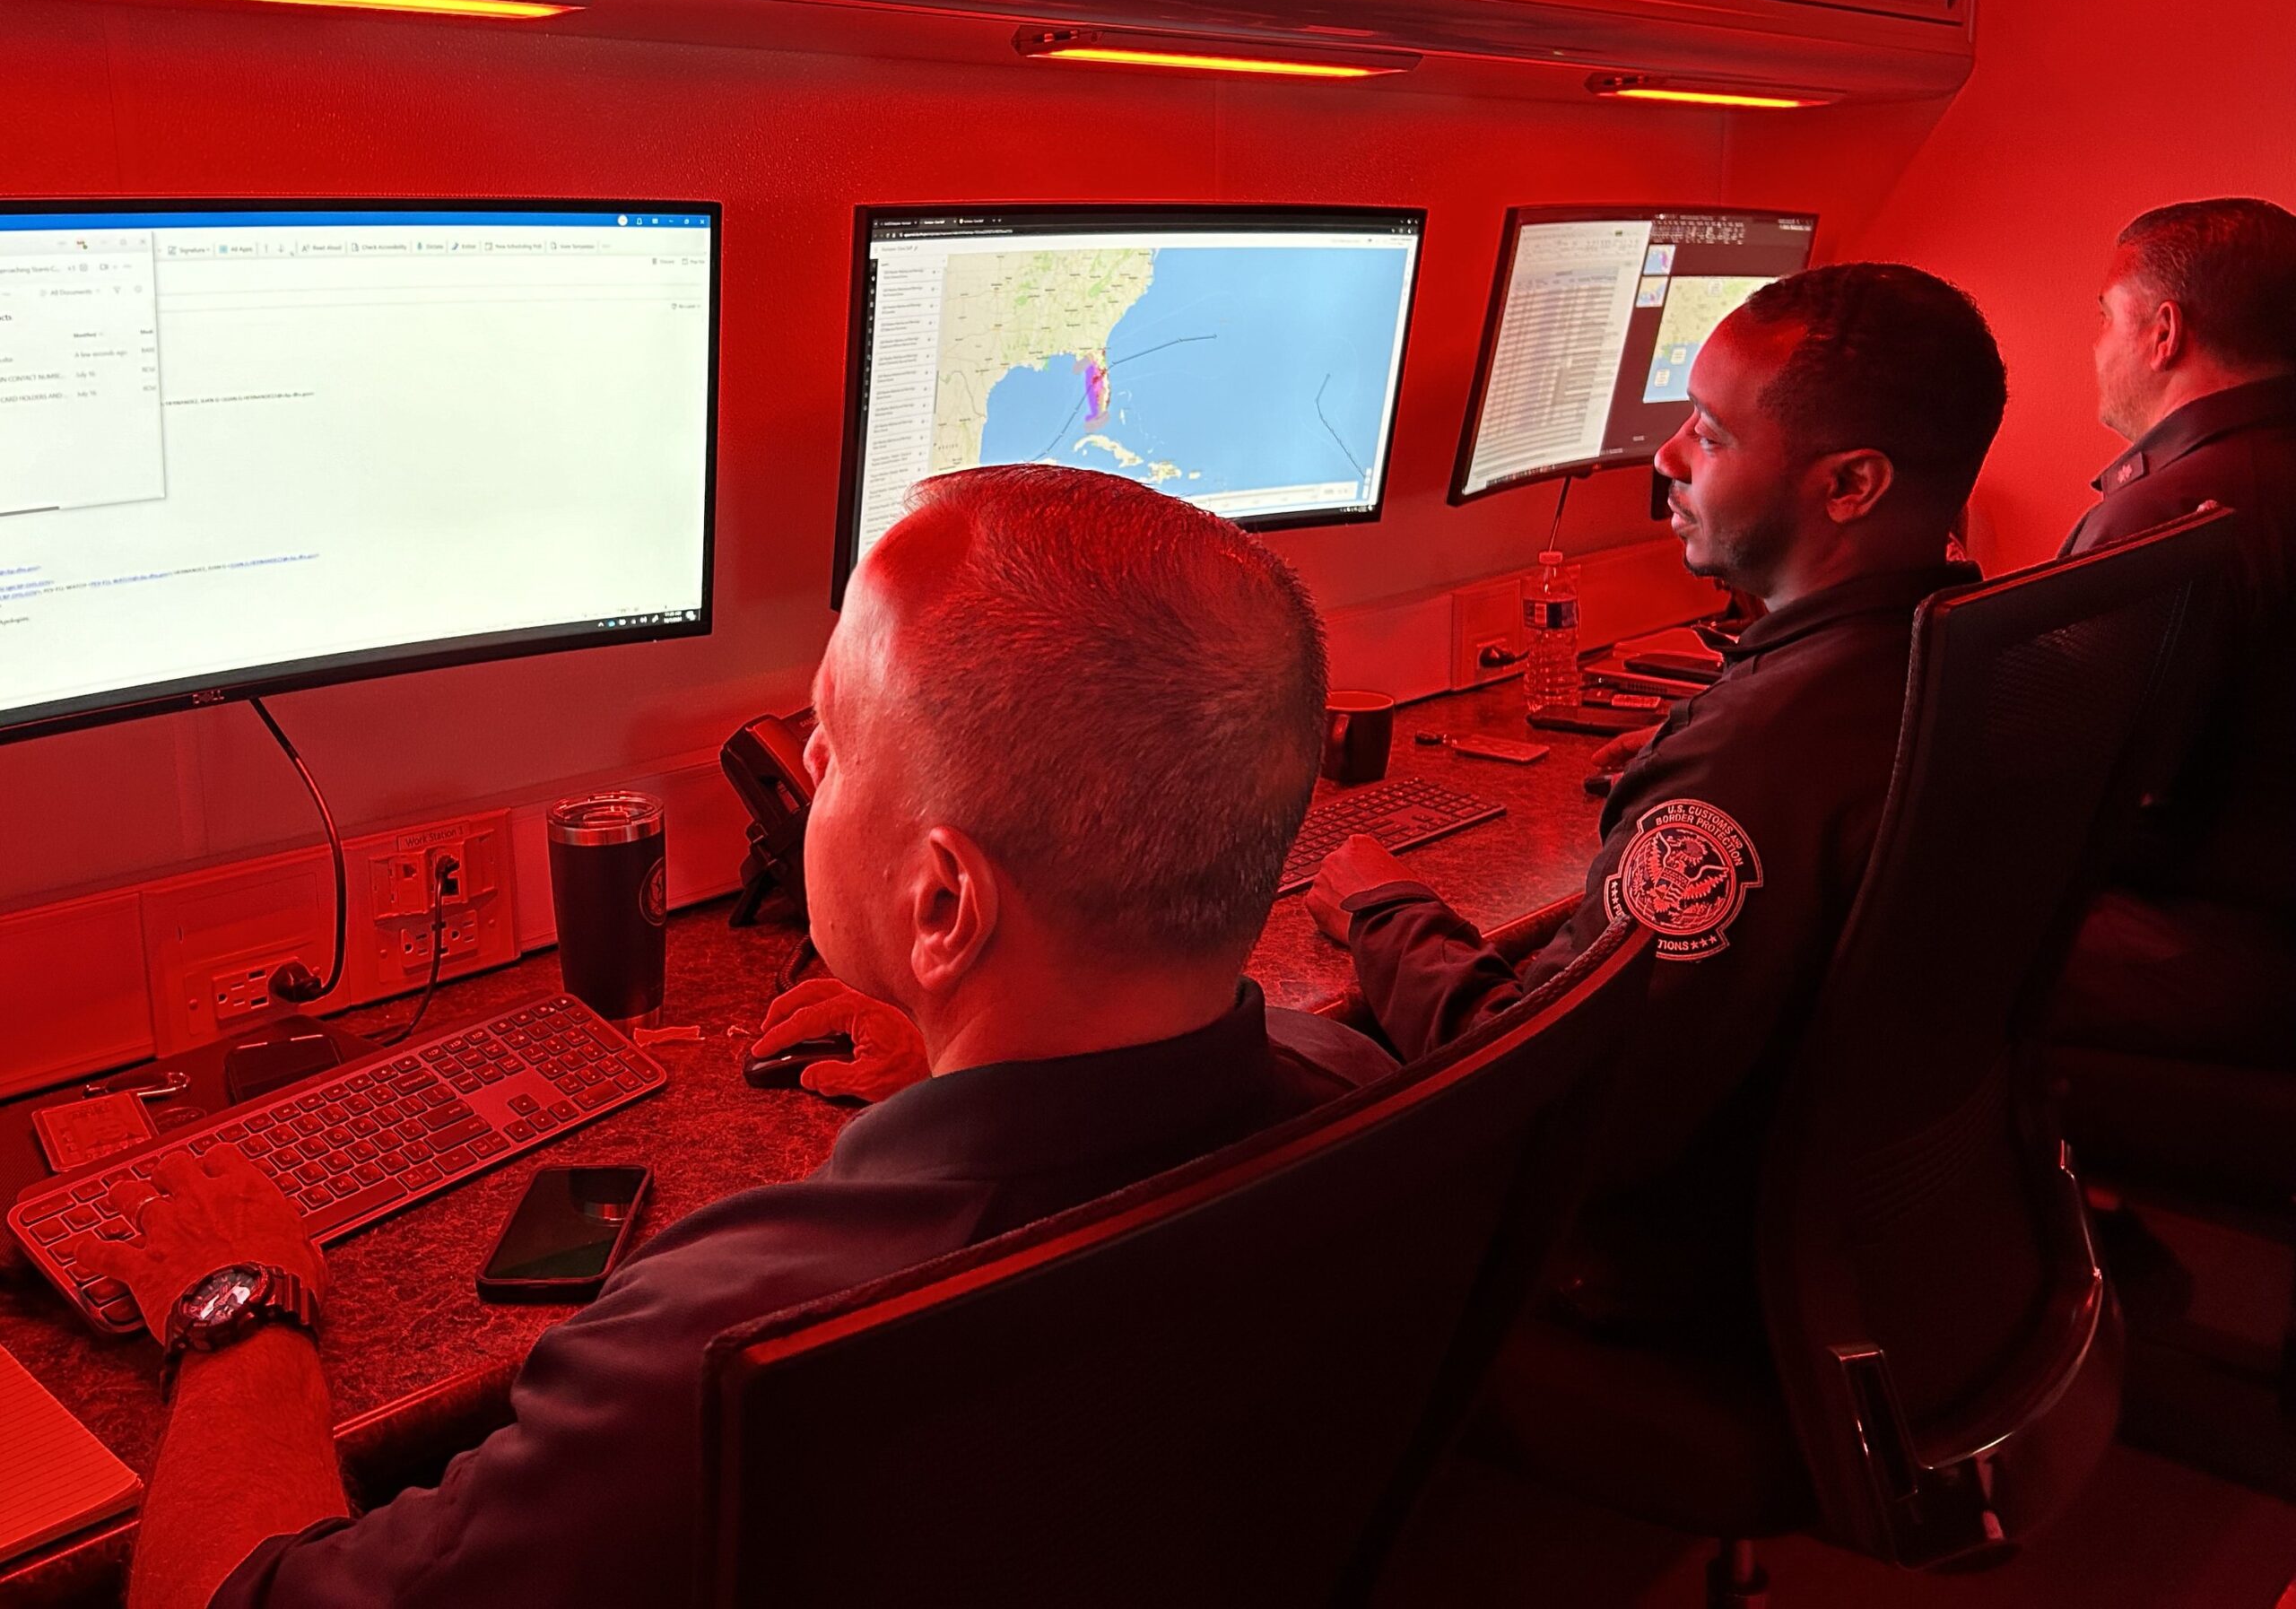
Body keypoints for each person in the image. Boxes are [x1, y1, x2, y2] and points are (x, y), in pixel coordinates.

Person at [80, 465, 1395, 1609]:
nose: (808, 761)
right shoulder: (1361, 1085)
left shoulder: (731, 1342)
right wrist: (960, 1040)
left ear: (942, 904)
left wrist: (239, 1300)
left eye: (837, 735)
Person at [1310, 264, 2005, 1347]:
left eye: (1712, 435)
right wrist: (1698, 744)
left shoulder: (1759, 761)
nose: (1668, 456)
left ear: (1851, 484)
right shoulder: (1976, 653)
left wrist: (1383, 912)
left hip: (1663, 1277)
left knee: (1279, 1073)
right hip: (1912, 1245)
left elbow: (1547, 1095)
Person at [2049, 197, 2296, 1056]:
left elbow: (2066, 791)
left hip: (2217, 947)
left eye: (2103, 318)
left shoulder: (2163, 514)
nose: (2096, 348)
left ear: (2164, 332)